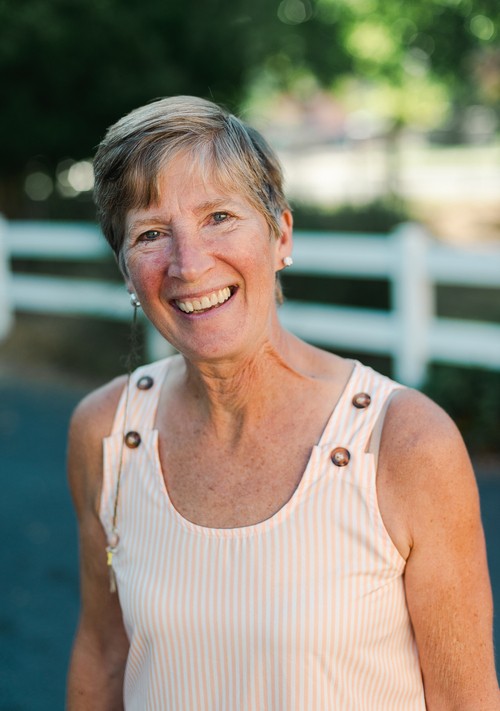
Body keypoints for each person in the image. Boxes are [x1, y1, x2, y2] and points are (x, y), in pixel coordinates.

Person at [66, 96, 499, 711]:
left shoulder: (405, 443)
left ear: (281, 235)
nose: (189, 265)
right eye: (152, 234)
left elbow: (465, 700)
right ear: (126, 270)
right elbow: (104, 653)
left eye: (219, 217)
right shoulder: (107, 432)